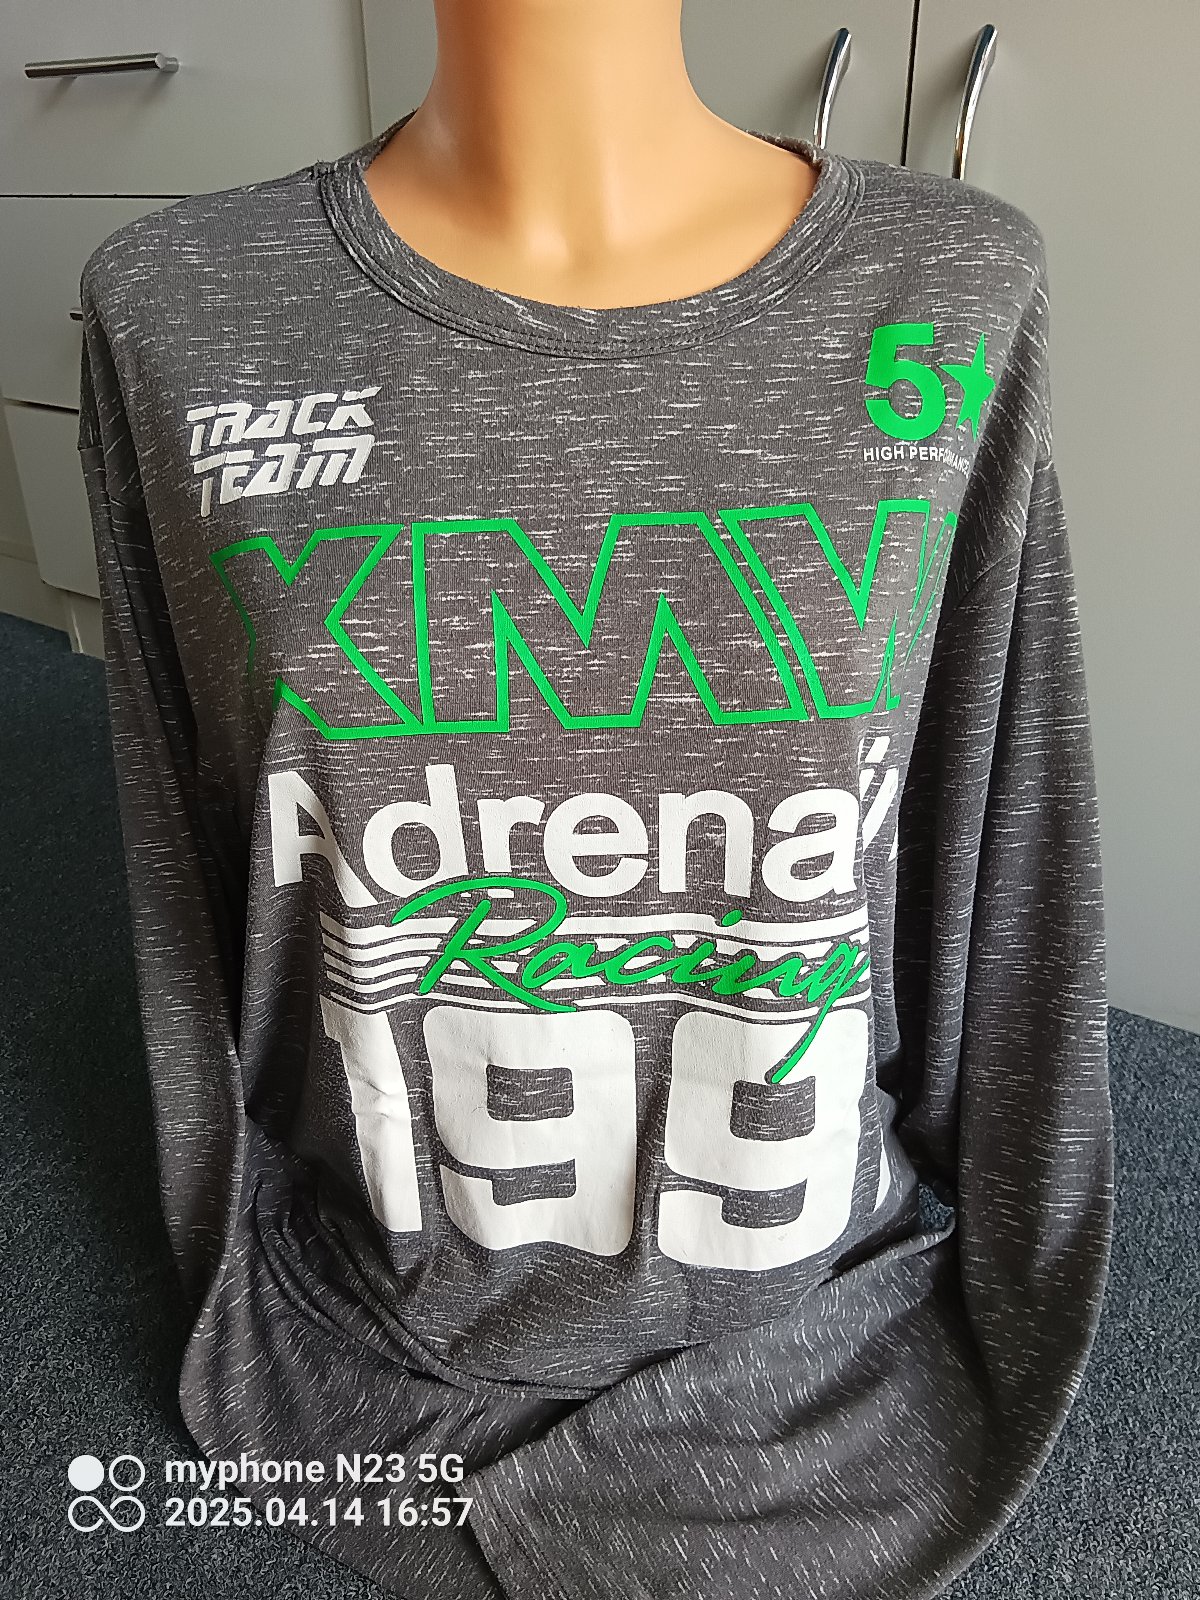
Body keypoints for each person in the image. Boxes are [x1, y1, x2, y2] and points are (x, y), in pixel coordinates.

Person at [76, 3, 1114, 1596]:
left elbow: (1008, 831)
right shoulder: (178, 307)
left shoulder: (954, 285)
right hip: (383, 1284)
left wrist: (1020, 1243)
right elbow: (182, 868)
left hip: (798, 1268)